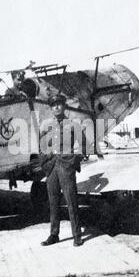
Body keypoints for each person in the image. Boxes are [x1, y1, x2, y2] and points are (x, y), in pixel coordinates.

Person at [39, 94, 88, 247]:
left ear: (64, 107)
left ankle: (77, 235)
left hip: (66, 165)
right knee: (53, 201)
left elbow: (84, 146)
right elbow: (41, 146)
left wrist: (73, 161)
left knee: (71, 200)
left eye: (59, 104)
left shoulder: (73, 124)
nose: (57, 107)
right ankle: (54, 234)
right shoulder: (46, 125)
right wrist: (45, 163)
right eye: (54, 105)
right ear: (51, 108)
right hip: (52, 167)